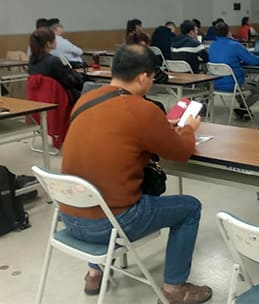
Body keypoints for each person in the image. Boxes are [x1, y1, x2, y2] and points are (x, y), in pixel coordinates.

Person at [59, 44, 212, 303]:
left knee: (97, 187)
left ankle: (94, 273)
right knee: (190, 208)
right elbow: (181, 153)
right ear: (143, 77)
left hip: (69, 215)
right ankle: (175, 288)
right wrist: (188, 128)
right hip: (110, 224)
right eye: (152, 77)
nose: (152, 83)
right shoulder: (142, 108)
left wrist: (159, 126)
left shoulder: (85, 100)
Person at [208, 21, 259, 119]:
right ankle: (243, 108)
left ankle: (243, 110)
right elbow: (253, 61)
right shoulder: (235, 45)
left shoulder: (212, 46)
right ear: (228, 32)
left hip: (215, 83)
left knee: (238, 86)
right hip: (234, 84)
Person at [28, 27, 82, 102]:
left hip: (41, 99)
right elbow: (71, 82)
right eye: (55, 39)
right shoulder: (54, 61)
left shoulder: (31, 62)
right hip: (61, 98)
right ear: (48, 43)